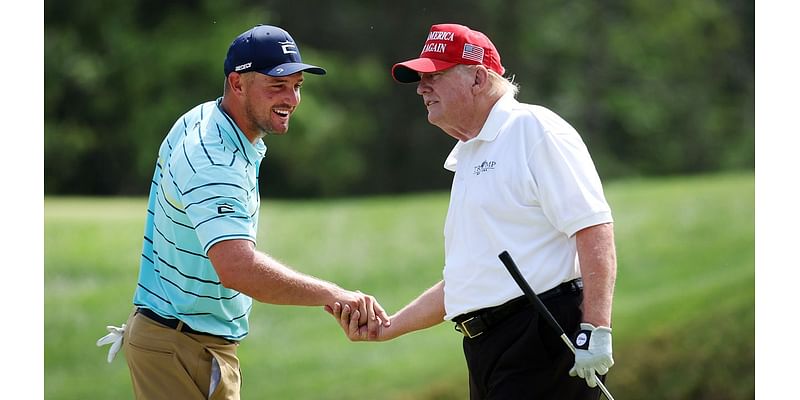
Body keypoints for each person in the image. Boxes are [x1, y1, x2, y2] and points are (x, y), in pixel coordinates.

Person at [96, 24, 390, 400]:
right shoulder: (213, 157)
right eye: (277, 86)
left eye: (297, 85)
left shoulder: (208, 120)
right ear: (237, 84)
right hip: (181, 348)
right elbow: (237, 268)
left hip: (181, 342)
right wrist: (334, 294)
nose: (293, 99)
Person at [328, 23, 617, 399]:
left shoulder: (534, 130)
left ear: (478, 78)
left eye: (435, 75)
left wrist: (596, 328)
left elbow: (593, 228)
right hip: (487, 348)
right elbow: (469, 280)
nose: (421, 88)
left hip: (543, 333)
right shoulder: (470, 153)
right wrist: (390, 327)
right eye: (420, 78)